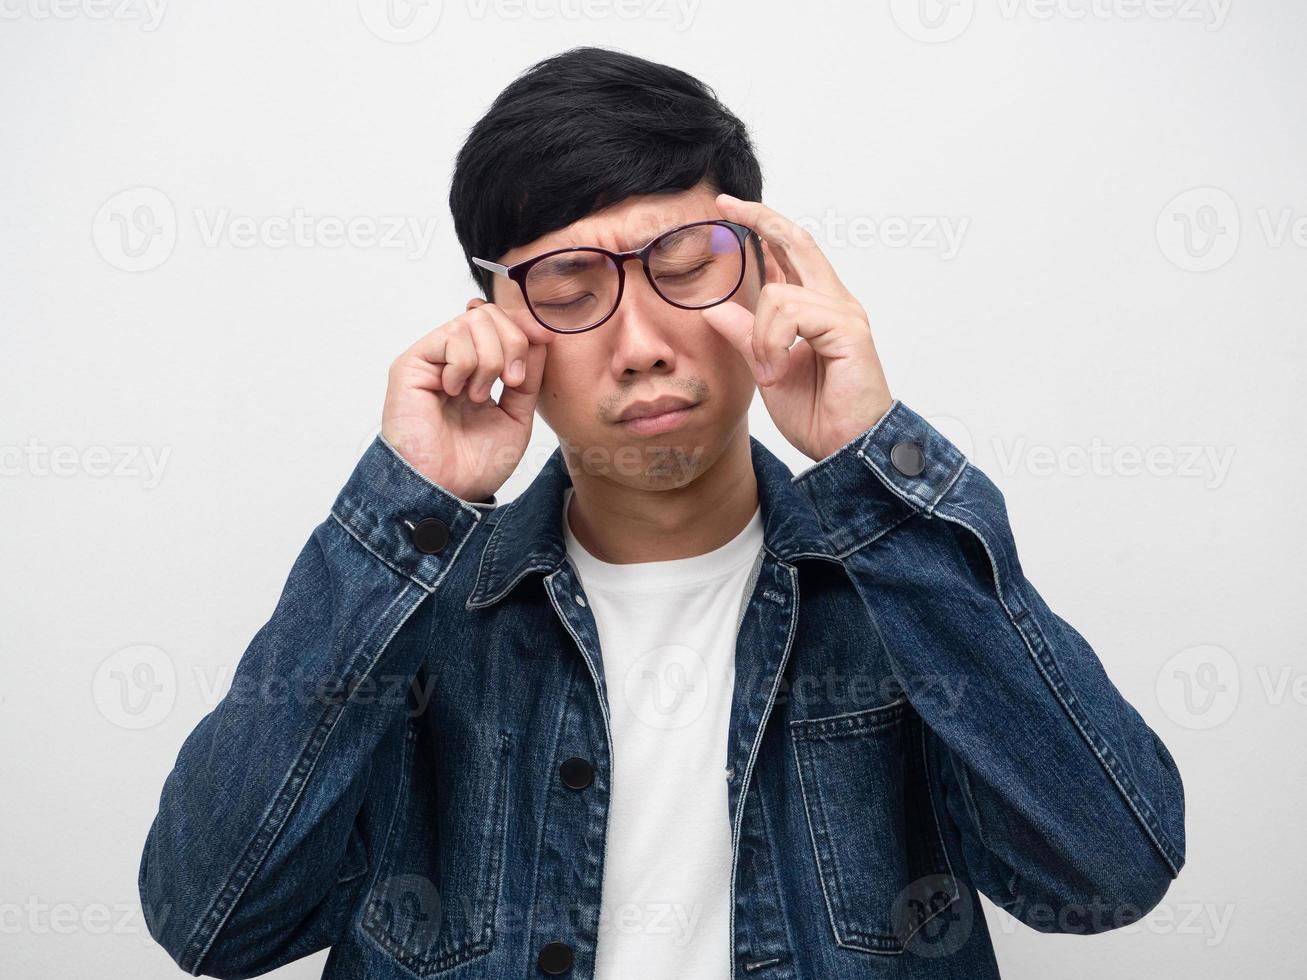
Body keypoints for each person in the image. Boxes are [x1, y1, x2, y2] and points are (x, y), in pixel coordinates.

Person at [138, 45, 1185, 980]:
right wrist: (405, 505)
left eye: (683, 269)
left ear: (764, 279)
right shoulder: (412, 615)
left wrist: (874, 464)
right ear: (496, 323)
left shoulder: (897, 589)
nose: (639, 340)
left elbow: (1107, 869)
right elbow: (210, 920)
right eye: (567, 285)